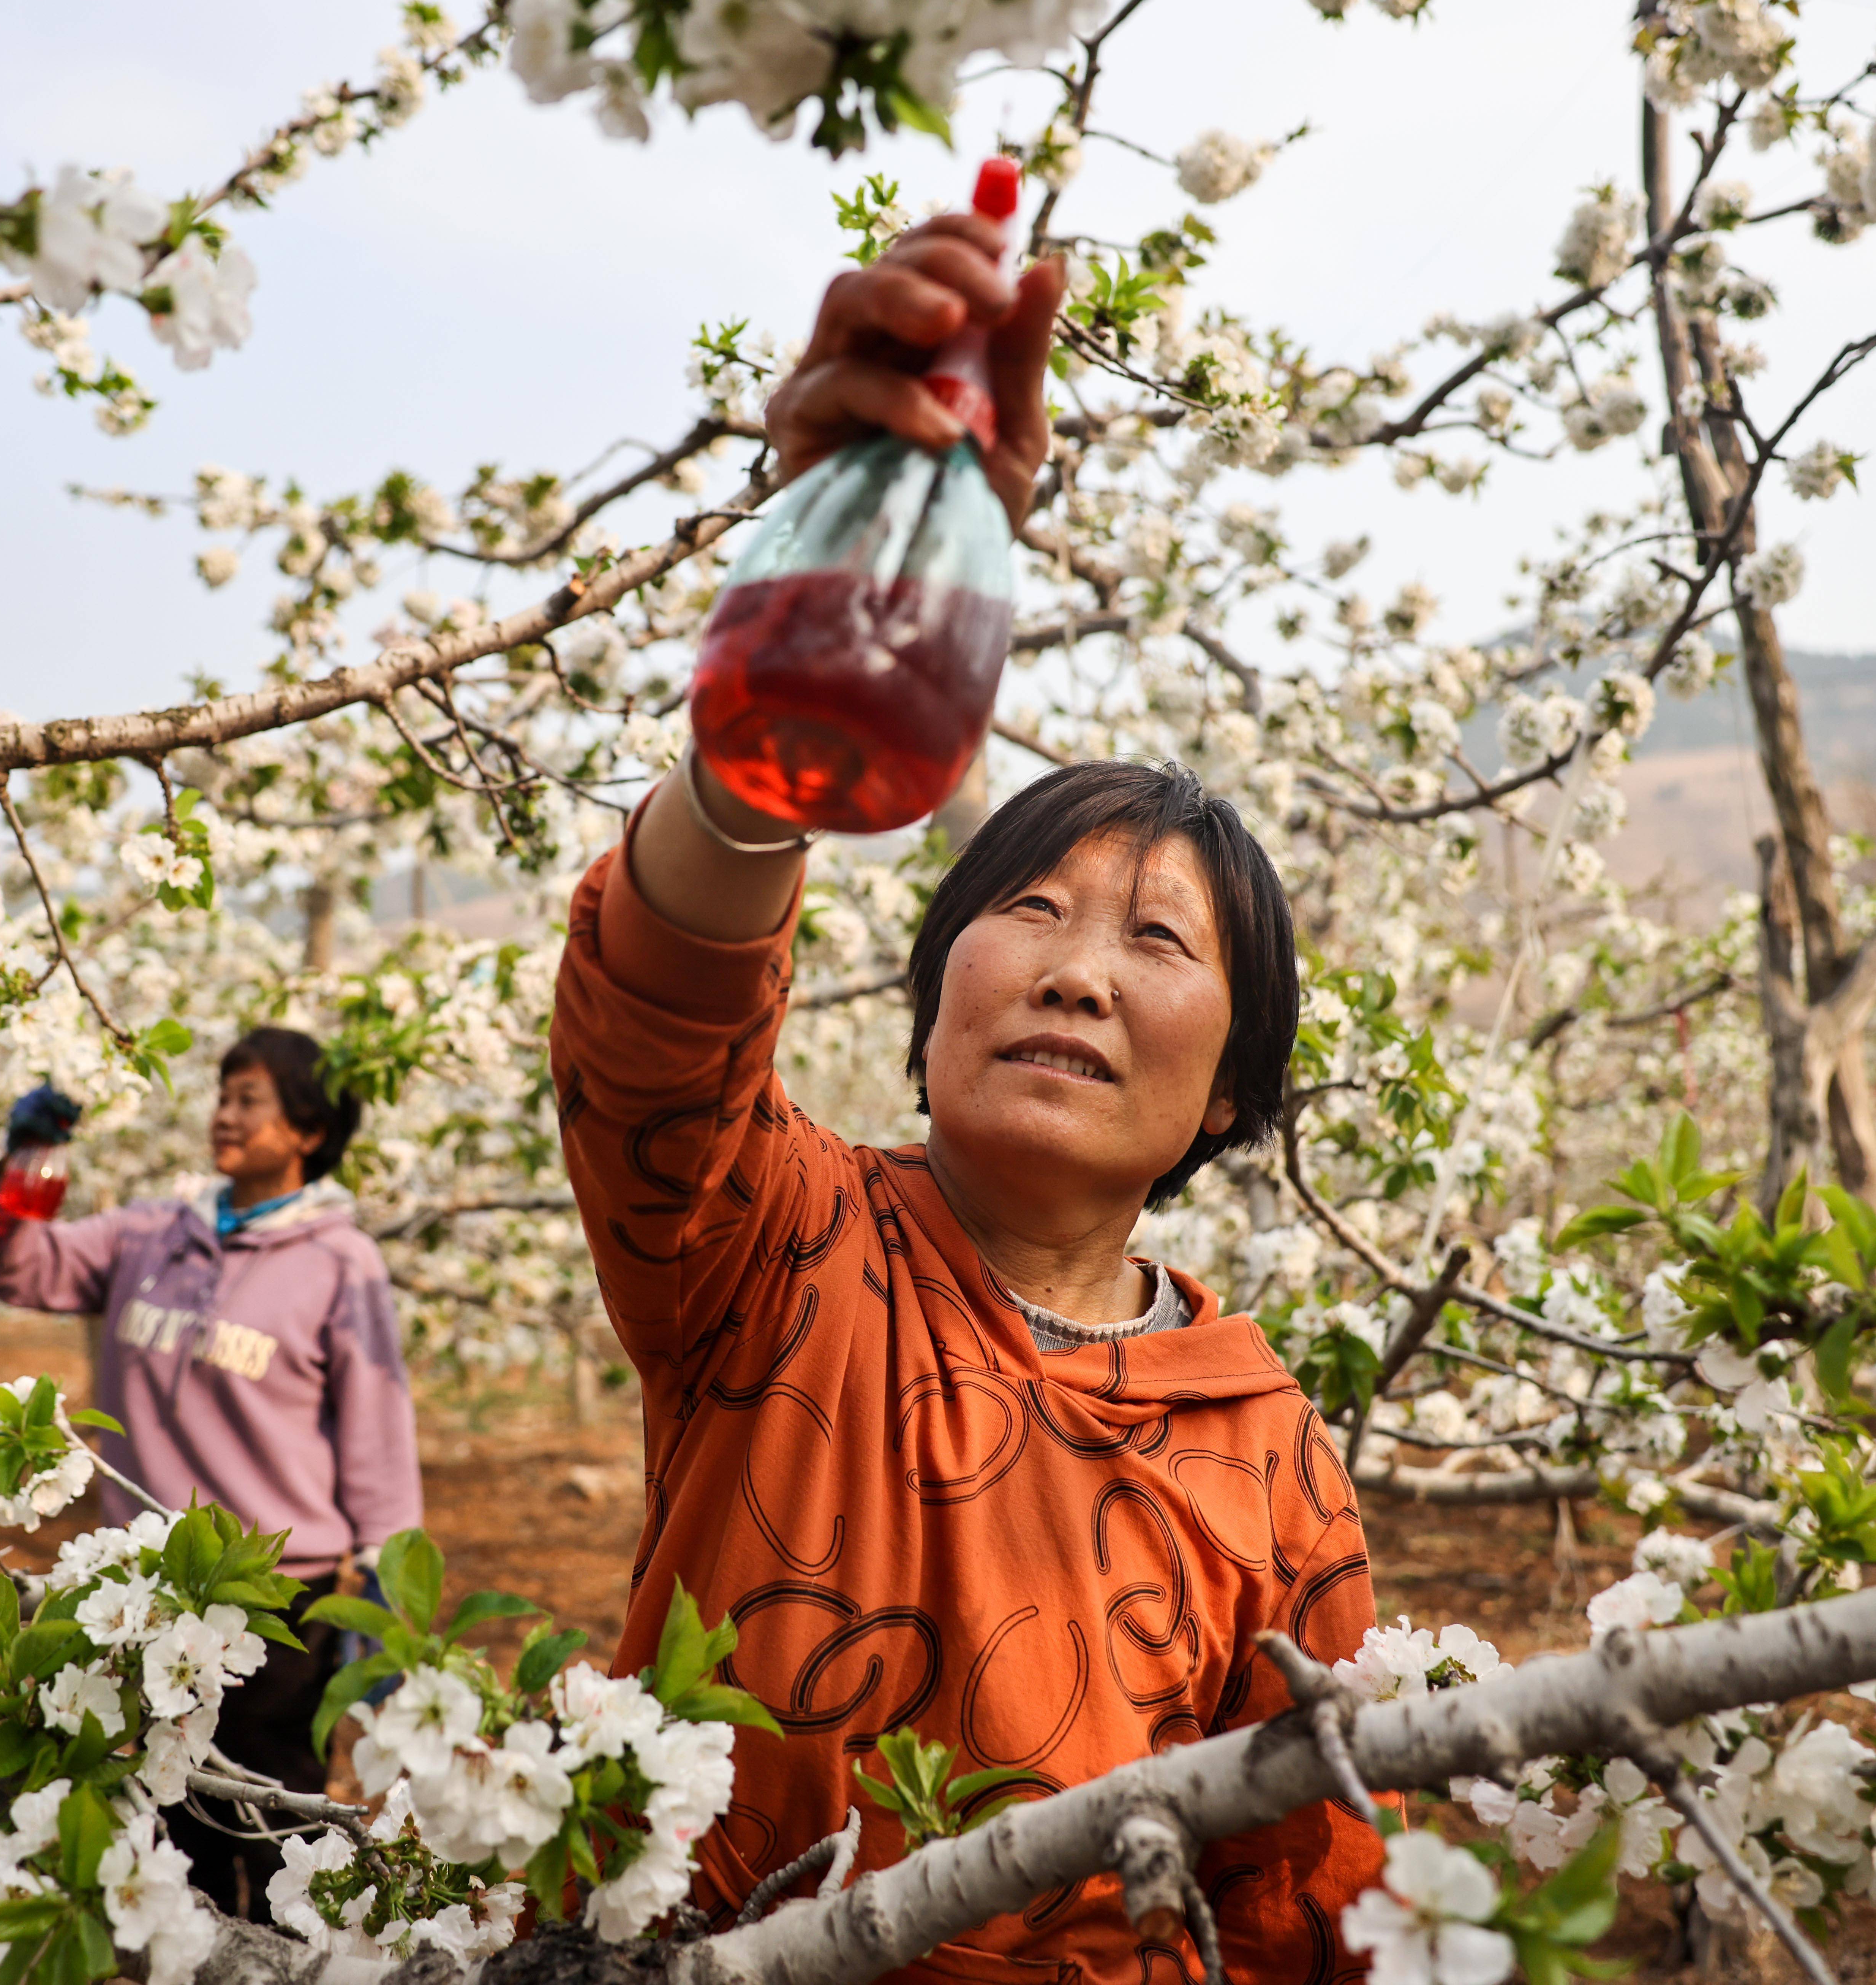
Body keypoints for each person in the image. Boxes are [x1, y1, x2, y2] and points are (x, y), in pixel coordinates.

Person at [548, 202, 1385, 1977]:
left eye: (1158, 943)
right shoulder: (778, 1244)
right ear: (934, 1004)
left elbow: (1293, 1890)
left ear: (1231, 1093)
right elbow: (657, 1014)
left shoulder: (1269, 1456)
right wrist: (825, 590)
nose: (1077, 968)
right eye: (1028, 912)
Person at [0, 1027, 422, 1915]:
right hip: (149, 1583)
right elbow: (20, 1266)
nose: (225, 1113)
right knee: (174, 1830)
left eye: (250, 1099)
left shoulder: (340, 1262)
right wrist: (30, 1161)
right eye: (223, 1093)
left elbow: (376, 1430)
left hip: (274, 1596)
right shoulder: (152, 1232)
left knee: (279, 1821)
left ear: (307, 1130)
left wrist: (384, 1578)